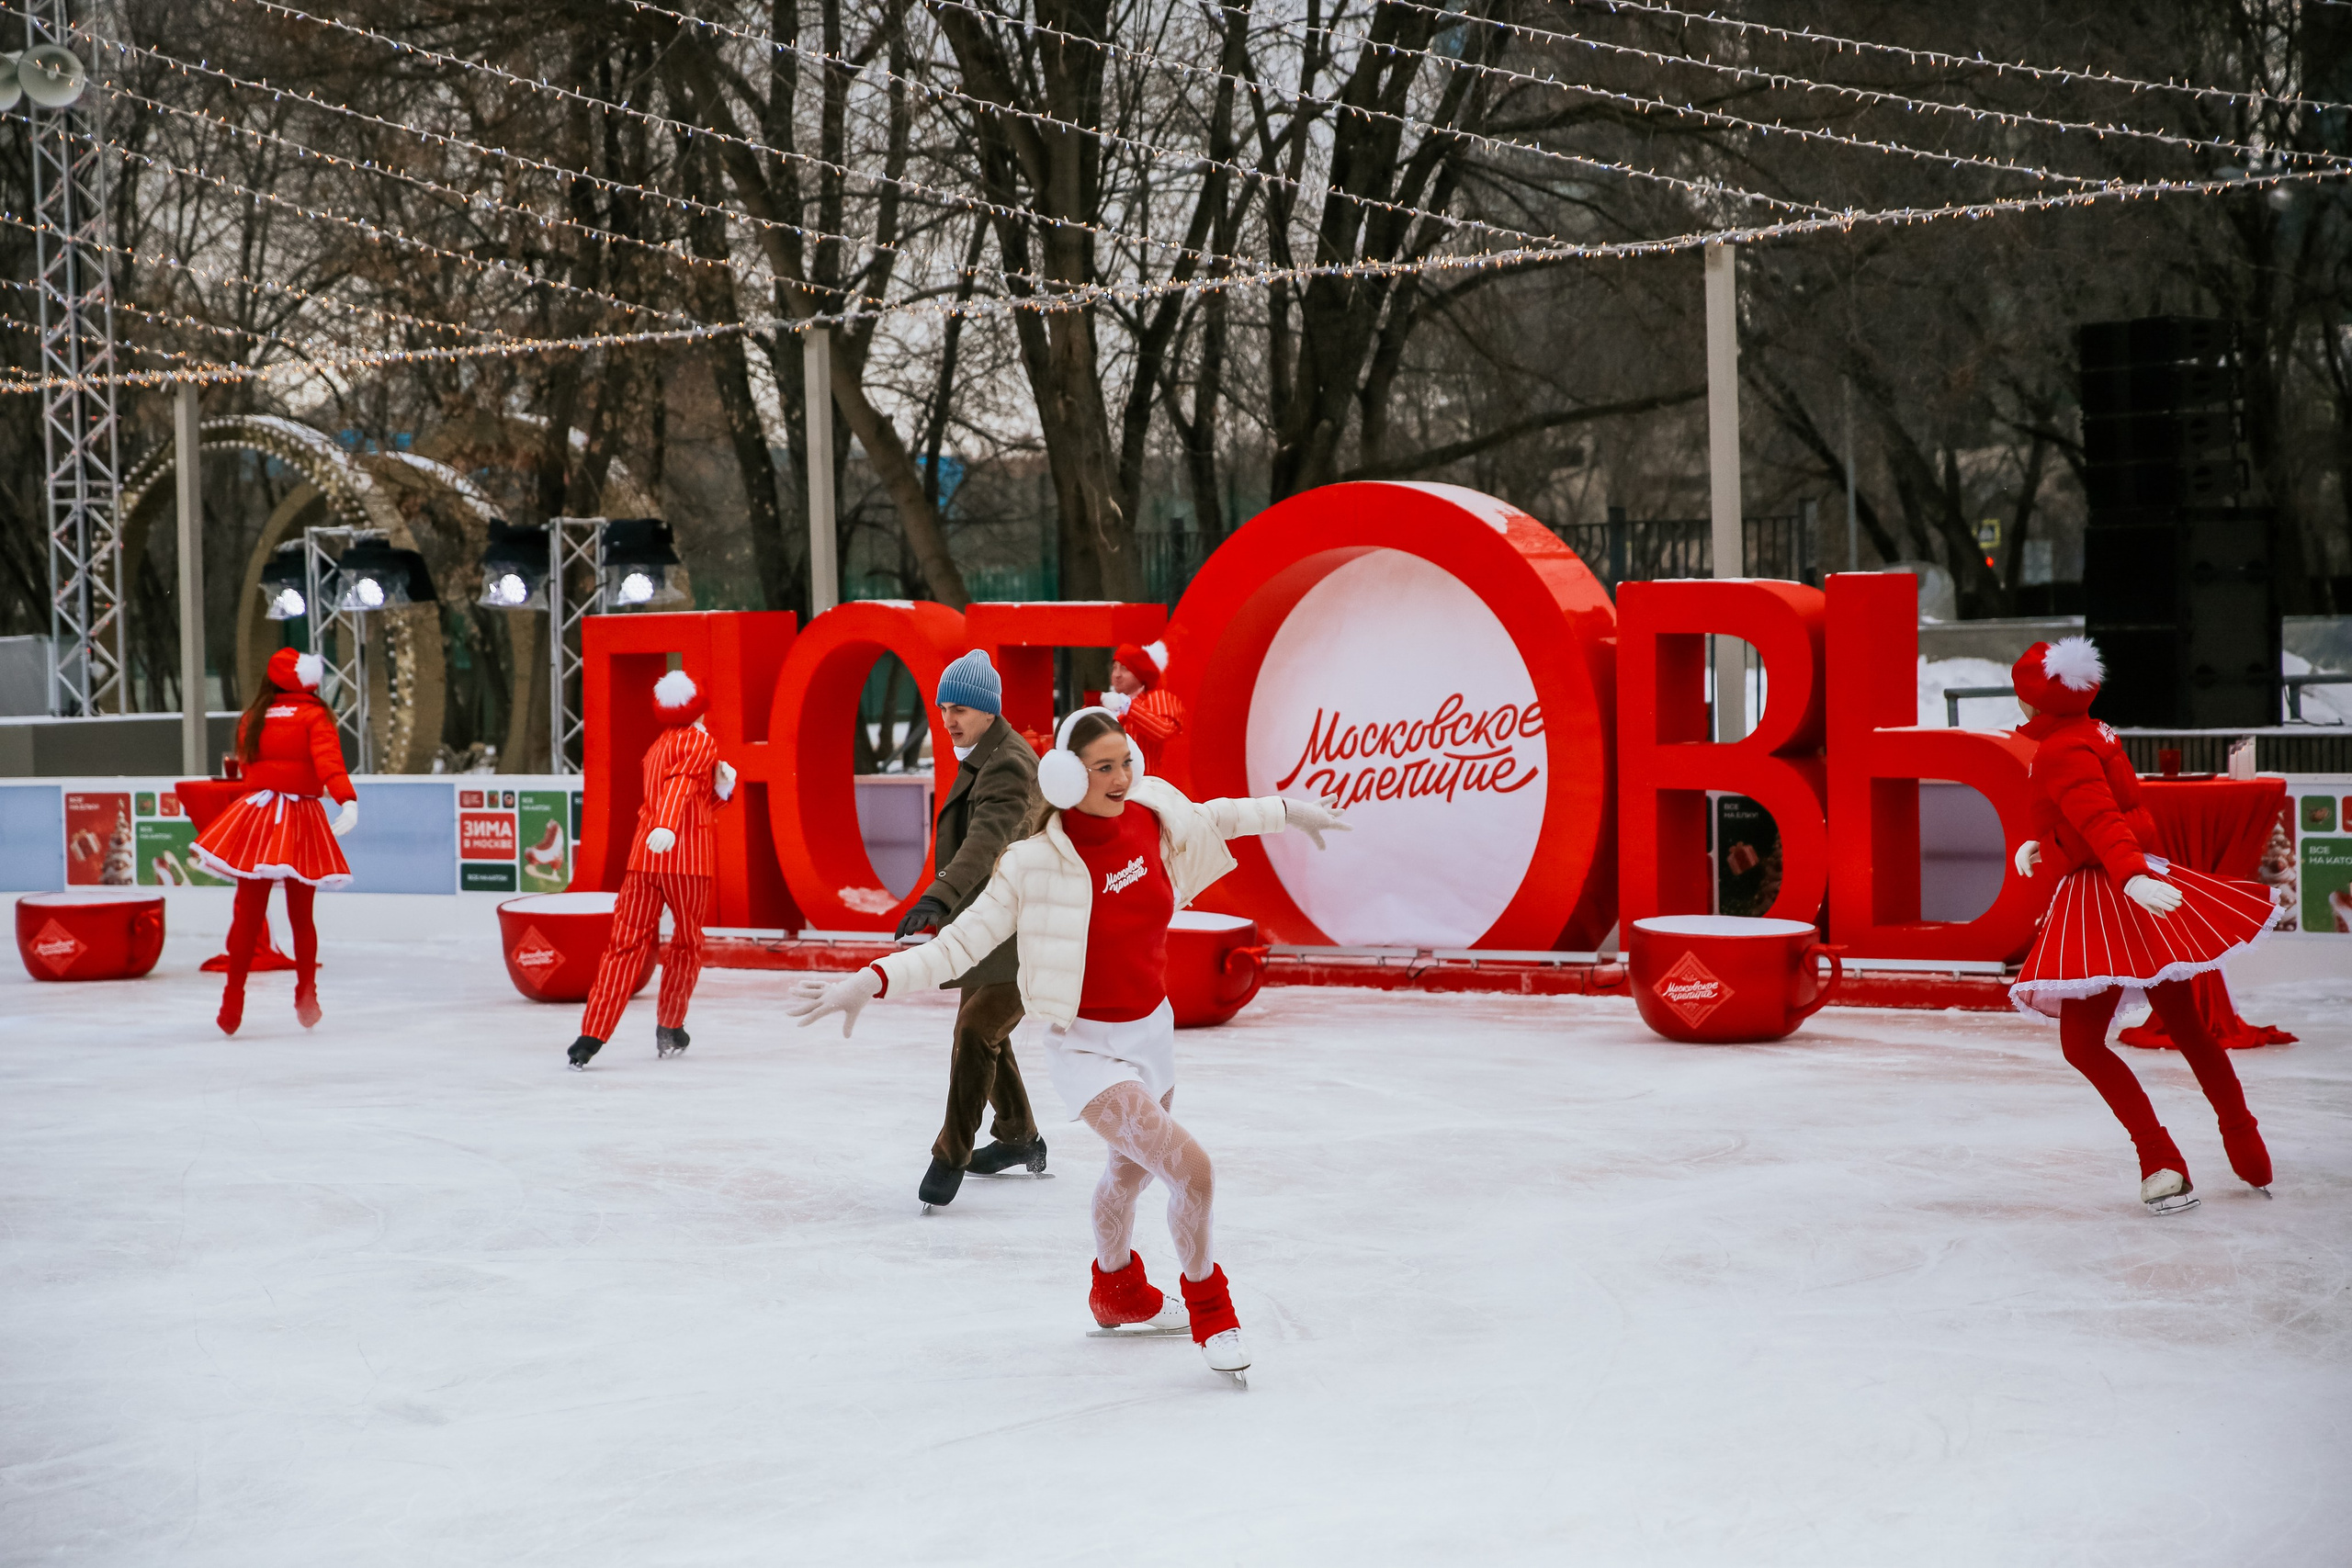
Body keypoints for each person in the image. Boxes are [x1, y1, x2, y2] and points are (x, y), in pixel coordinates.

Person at [786, 707, 1350, 1385]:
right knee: (1192, 1171)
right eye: (1102, 766)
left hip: (1152, 1031)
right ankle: (1211, 1310)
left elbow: (1215, 817)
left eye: (1124, 762)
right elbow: (959, 944)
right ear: (1063, 776)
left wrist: (1289, 812)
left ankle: (1116, 1291)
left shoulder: (1151, 812)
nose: (1120, 776)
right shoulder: (1032, 864)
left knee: (1127, 1174)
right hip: (1086, 1049)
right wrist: (871, 979)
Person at [2007, 637, 2279, 1214]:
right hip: (2131, 877)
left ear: (2038, 703)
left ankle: (2160, 1161)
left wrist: (2128, 876)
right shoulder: (2093, 730)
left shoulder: (2058, 749)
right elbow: (2095, 804)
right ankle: (2245, 1143)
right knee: (2188, 1025)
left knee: (2081, 1044)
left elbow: (2102, 818)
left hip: (2109, 890)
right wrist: (2042, 839)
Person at [891, 649, 1049, 1209]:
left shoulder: (1007, 762)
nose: (949, 718)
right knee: (981, 1033)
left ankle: (951, 1153)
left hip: (1027, 929)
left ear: (987, 709)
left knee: (975, 1033)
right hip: (989, 926)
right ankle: (1018, 1136)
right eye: (943, 708)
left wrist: (938, 897)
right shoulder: (983, 754)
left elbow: (987, 840)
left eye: (960, 707)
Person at [568, 670, 737, 1069]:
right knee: (687, 942)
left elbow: (683, 797)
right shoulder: (700, 741)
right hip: (687, 860)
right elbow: (679, 790)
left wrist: (720, 790)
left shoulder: (658, 745)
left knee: (624, 944)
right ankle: (670, 1025)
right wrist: (668, 825)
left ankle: (591, 1034)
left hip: (644, 858)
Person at [194, 647, 359, 1034]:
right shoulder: (315, 716)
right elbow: (328, 761)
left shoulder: (253, 716)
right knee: (302, 917)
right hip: (300, 818)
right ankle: (306, 994)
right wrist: (347, 801)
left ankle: (232, 999)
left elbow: (247, 765)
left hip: (259, 816)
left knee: (248, 915)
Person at [1104, 640, 1184, 773]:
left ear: (1140, 674)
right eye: (1114, 668)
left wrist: (1128, 707)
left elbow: (1164, 731)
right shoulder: (1107, 702)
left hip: (1149, 784)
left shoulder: (1158, 698)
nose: (1117, 675)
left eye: (1124, 669)